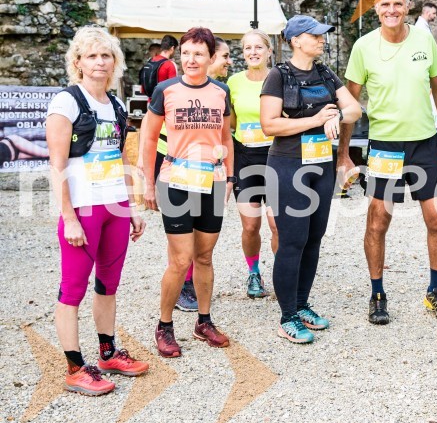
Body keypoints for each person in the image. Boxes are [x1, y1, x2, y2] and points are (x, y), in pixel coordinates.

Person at [338, 0, 437, 325]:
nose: (391, 10)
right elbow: (350, 102)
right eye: (384, 5)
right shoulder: (363, 47)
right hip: (385, 147)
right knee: (379, 221)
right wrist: (344, 155)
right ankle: (377, 293)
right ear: (375, 9)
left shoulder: (424, 40)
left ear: (408, 7)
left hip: (424, 144)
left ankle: (435, 291)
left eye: (398, 4)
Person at [45, 26, 149, 396]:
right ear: (78, 62)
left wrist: (132, 206)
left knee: (108, 285)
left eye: (106, 55)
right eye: (91, 56)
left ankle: (107, 352)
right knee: (72, 289)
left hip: (114, 207)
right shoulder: (66, 103)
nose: (100, 62)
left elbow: (120, 158)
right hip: (84, 209)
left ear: (115, 61)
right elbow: (57, 166)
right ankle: (75, 367)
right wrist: (69, 217)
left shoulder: (116, 105)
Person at [260, 15, 361, 343]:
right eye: (313, 35)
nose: (320, 40)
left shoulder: (325, 72)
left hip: (321, 166)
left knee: (314, 238)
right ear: (295, 40)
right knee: (291, 240)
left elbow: (355, 109)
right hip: (287, 166)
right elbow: (270, 125)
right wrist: (317, 118)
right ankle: (287, 315)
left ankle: (302, 304)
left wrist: (337, 116)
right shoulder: (278, 75)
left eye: (321, 35)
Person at [141, 27, 235, 358]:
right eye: (186, 53)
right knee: (181, 260)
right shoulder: (165, 90)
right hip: (175, 180)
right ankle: (164, 326)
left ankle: (203, 322)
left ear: (211, 58)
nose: (191, 59)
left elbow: (226, 138)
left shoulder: (221, 92)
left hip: (211, 180)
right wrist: (148, 182)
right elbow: (149, 138)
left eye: (199, 53)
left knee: (205, 256)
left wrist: (230, 179)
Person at [227, 29, 278, 298]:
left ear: (269, 51)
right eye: (248, 48)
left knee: (277, 225)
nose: (253, 52)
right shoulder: (233, 83)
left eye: (259, 47)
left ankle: (282, 276)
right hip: (245, 158)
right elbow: (231, 122)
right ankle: (254, 273)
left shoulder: (280, 78)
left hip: (276, 157)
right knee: (250, 226)